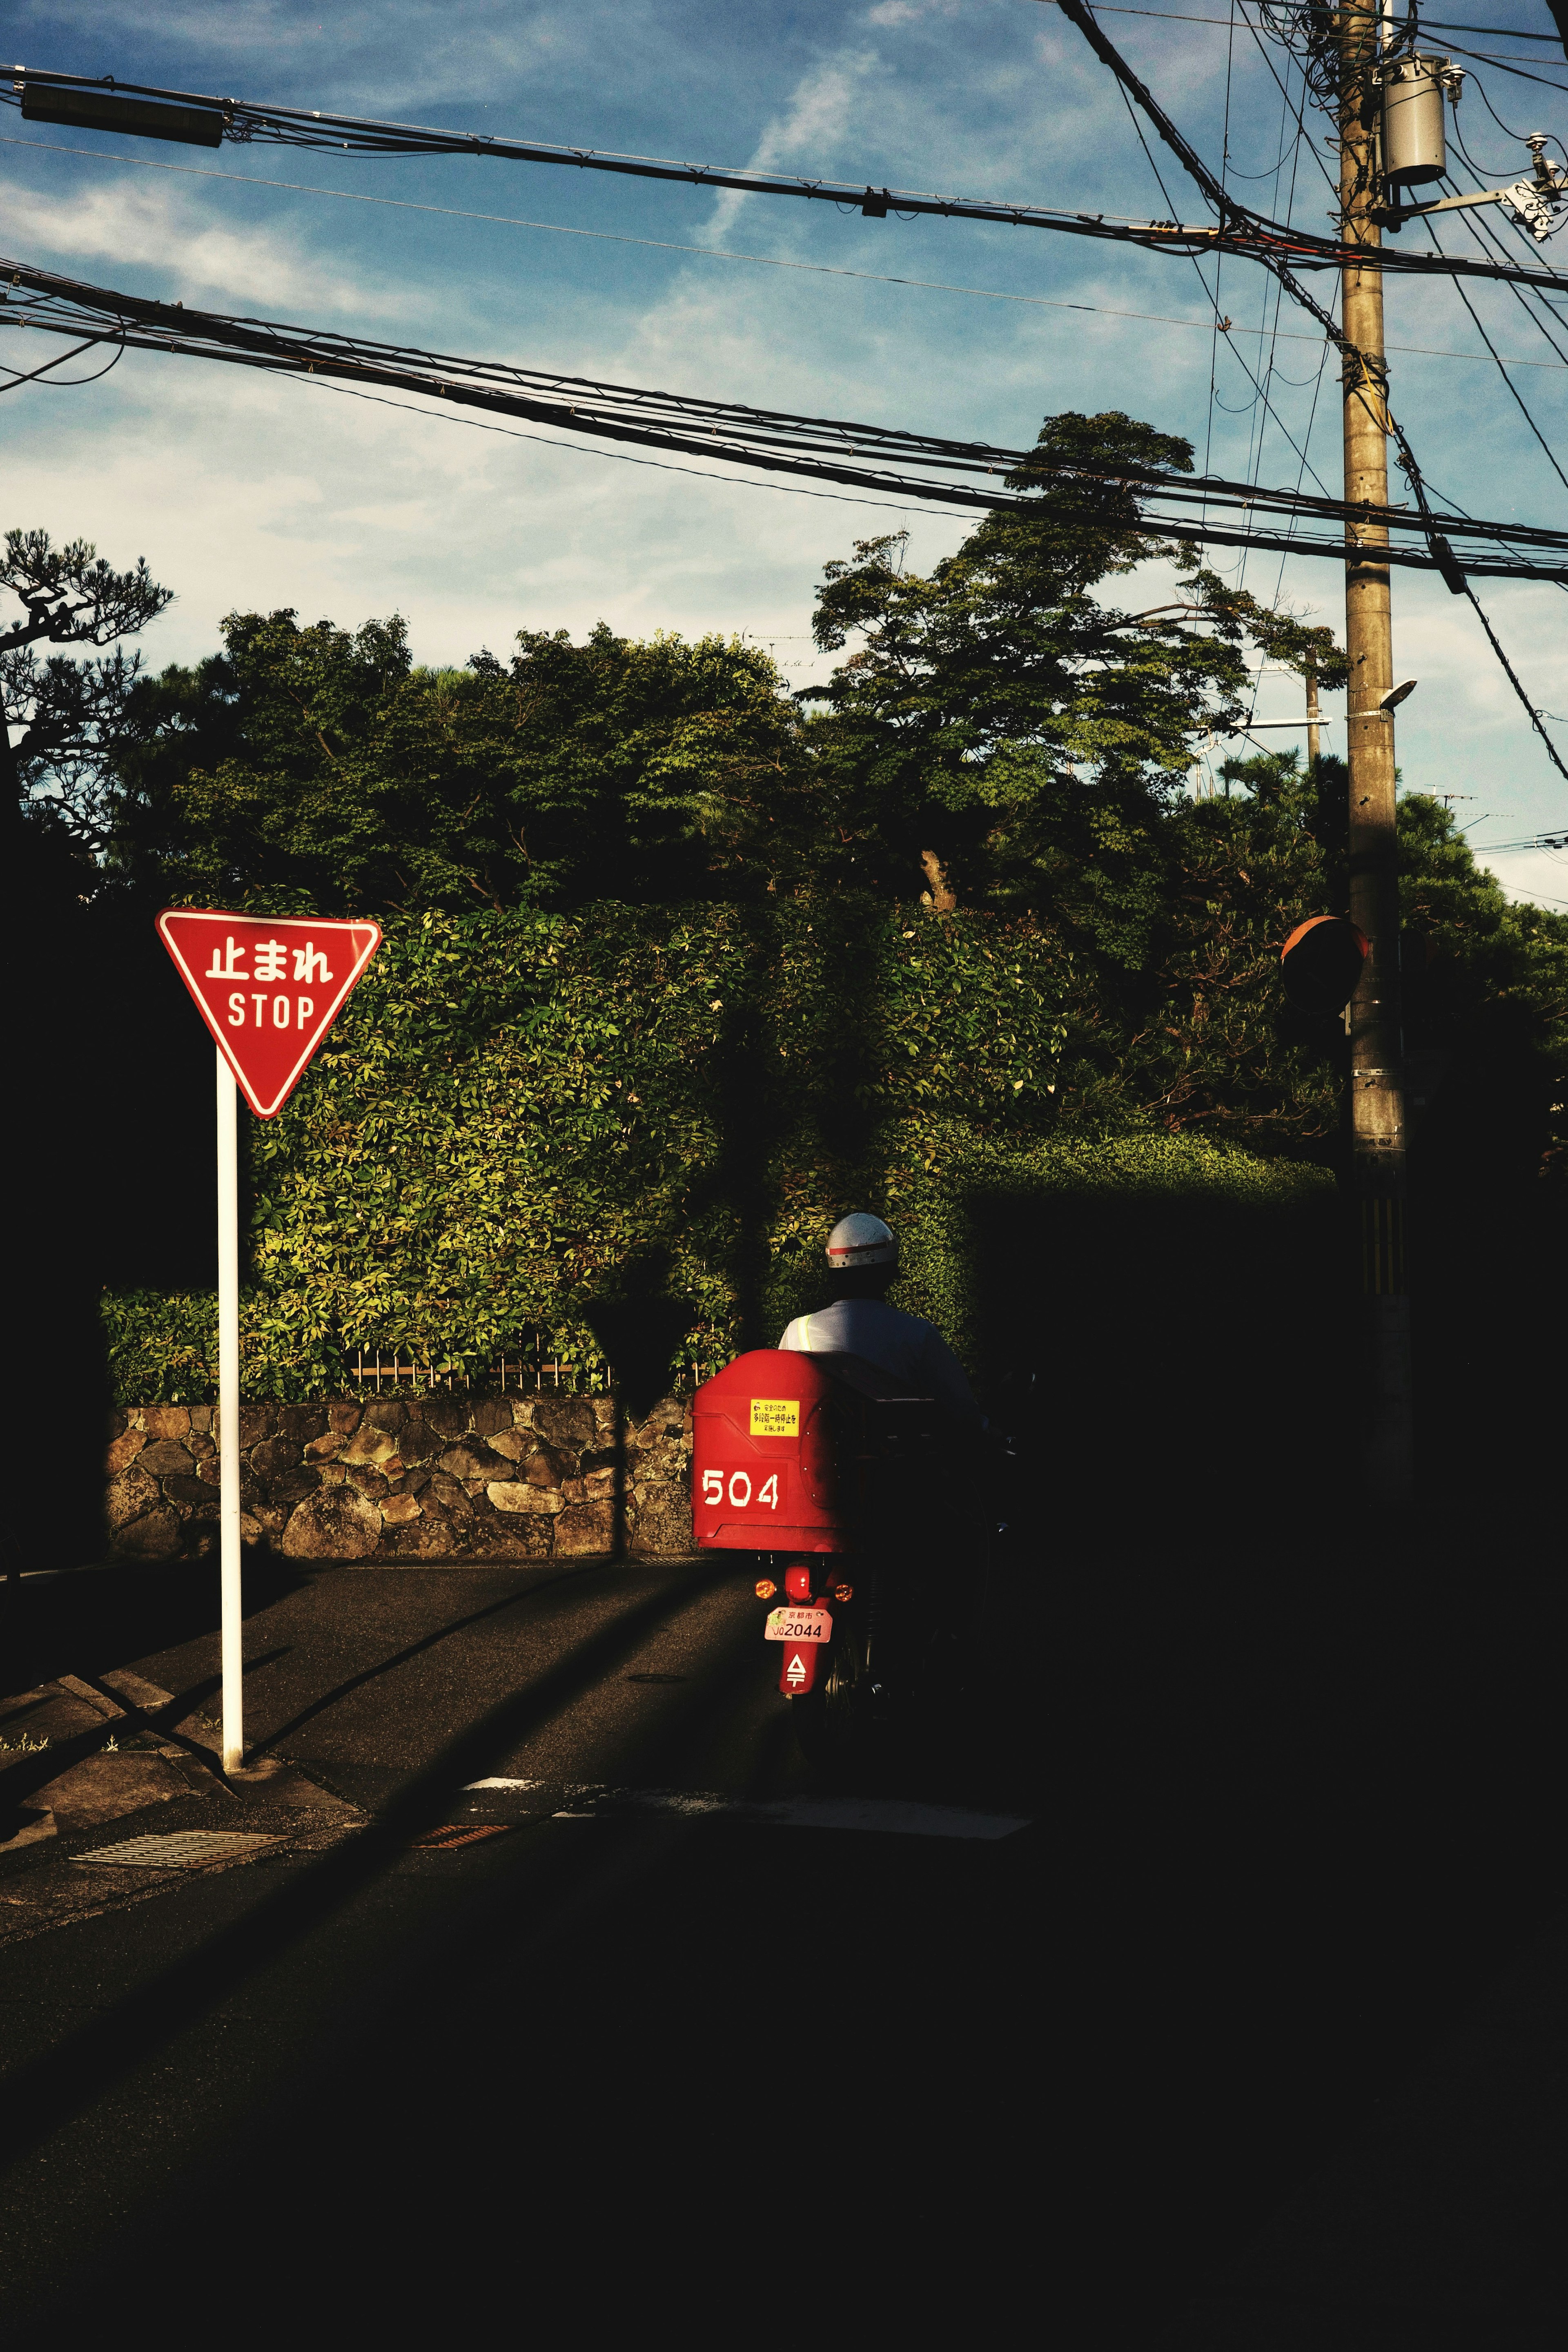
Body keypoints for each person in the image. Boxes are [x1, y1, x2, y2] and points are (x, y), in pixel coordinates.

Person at [777, 1213, 984, 1428]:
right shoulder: (918, 1334)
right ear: (891, 1272)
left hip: (822, 1457)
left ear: (832, 1272)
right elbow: (963, 1413)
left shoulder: (798, 1330)